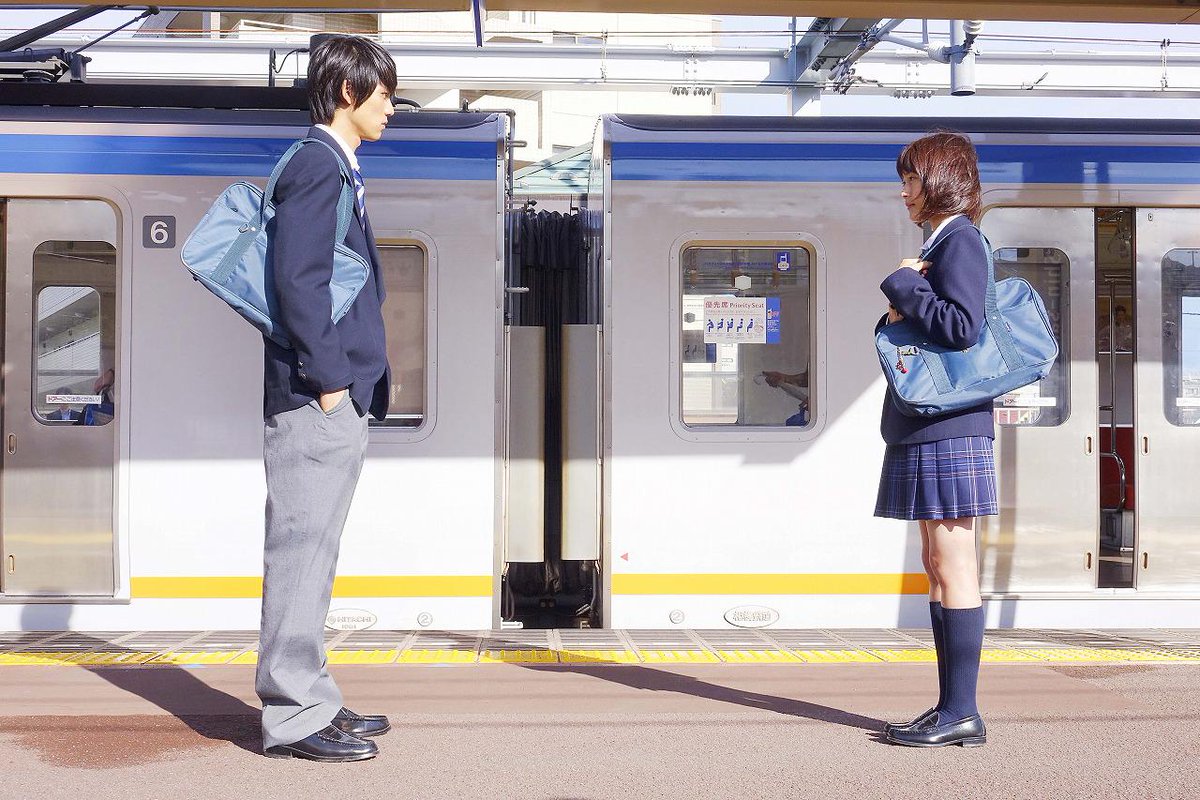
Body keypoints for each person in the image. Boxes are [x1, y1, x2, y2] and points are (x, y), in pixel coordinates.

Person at [256, 34, 396, 763]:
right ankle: (292, 716)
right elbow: (300, 282)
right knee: (301, 554)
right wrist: (333, 382)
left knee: (316, 556)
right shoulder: (317, 166)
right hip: (318, 399)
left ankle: (314, 697)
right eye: (385, 96)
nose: (391, 110)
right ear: (348, 92)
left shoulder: (335, 168)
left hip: (330, 397)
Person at [875, 131, 993, 748]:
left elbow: (964, 327)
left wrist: (903, 285)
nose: (904, 191)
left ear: (939, 179)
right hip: (932, 424)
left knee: (954, 561)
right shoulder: (941, 240)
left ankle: (964, 712)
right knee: (935, 562)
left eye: (911, 179)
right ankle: (949, 706)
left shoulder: (961, 241)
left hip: (952, 426)